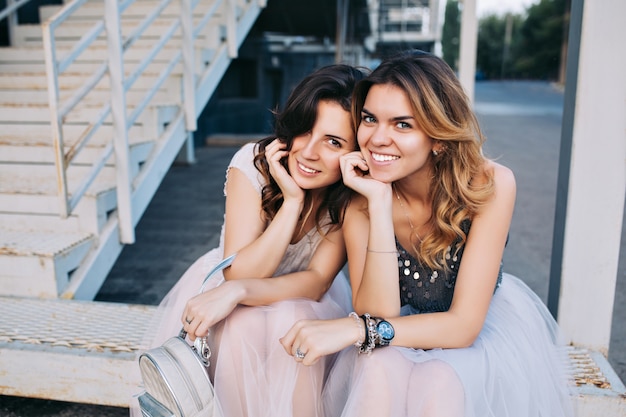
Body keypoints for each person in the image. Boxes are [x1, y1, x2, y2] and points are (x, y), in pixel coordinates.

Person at [280, 50, 575, 417]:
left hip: (473, 328)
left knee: (439, 380)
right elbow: (378, 311)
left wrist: (357, 331)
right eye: (370, 119)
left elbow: (463, 326)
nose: (377, 139)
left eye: (402, 124)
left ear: (439, 137)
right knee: (375, 368)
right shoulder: (360, 196)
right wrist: (378, 203)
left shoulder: (491, 184)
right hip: (396, 324)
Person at [133, 64, 367, 417]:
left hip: (296, 296)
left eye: (333, 142)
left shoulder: (351, 194)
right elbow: (239, 273)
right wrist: (291, 203)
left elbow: (317, 281)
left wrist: (238, 293)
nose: (309, 152)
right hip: (232, 280)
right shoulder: (254, 163)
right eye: (305, 130)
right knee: (243, 325)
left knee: (293, 317)